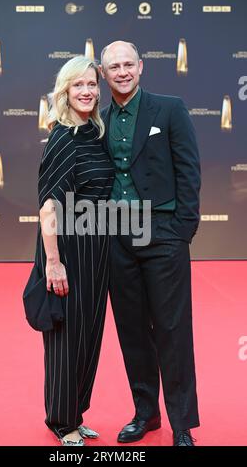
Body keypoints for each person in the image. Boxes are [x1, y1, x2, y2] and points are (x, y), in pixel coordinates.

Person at [100, 41, 201, 446]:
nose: (122, 71)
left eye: (128, 64)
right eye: (113, 67)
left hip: (163, 235)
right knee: (132, 330)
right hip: (115, 238)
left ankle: (181, 424)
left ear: (141, 67)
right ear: (103, 74)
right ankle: (146, 414)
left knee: (173, 330)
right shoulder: (99, 121)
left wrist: (181, 230)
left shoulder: (170, 108)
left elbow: (189, 170)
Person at [35, 56, 114, 446]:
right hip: (69, 250)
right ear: (64, 92)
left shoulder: (94, 132)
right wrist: (54, 262)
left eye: (91, 84)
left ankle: (76, 414)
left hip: (97, 249)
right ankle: (62, 421)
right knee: (67, 339)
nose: (86, 91)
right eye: (77, 85)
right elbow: (49, 206)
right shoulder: (63, 136)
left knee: (89, 336)